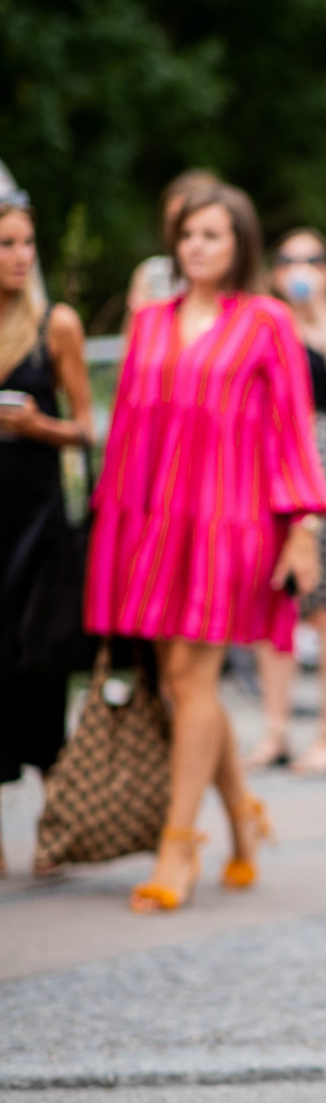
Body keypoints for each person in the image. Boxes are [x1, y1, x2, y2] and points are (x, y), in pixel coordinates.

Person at [85, 180, 326, 912]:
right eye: (189, 234)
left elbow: (292, 429)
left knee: (189, 679)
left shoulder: (266, 320)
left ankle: (178, 845)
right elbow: (129, 428)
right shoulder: (149, 320)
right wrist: (114, 525)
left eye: (212, 235)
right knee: (182, 683)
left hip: (231, 522)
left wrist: (303, 530)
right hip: (154, 523)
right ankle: (242, 817)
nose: (196, 246)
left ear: (239, 245)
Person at [247, 229, 326, 775]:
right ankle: (275, 731)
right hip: (267, 467)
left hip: (325, 470)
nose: (299, 268)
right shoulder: (263, 316)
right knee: (272, 603)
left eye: (313, 260)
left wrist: (316, 308)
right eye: (288, 260)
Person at [0, 190, 94, 874]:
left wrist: (39, 427)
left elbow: (86, 427)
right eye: (7, 243)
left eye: (28, 242)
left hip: (37, 530)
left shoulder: (55, 323)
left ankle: (56, 828)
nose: (21, 255)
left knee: (38, 669)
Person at [125, 170, 219, 315]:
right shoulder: (151, 274)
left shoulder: (238, 279)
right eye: (172, 222)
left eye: (186, 221)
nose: (178, 231)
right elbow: (134, 329)